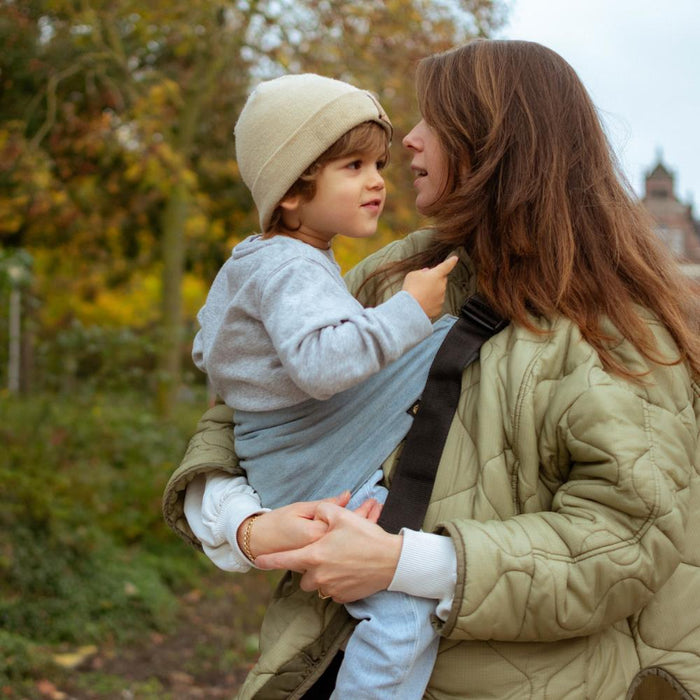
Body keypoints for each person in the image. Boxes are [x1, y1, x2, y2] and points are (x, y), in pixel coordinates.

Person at [164, 40, 700, 700]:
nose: (411, 140)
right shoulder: (396, 272)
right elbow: (250, 407)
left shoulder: (619, 328)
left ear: (497, 142)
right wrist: (246, 528)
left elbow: (625, 543)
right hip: (321, 663)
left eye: (433, 123)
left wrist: (401, 563)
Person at [190, 72, 460, 699]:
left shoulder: (262, 260)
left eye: (379, 164)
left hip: (292, 464)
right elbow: (320, 365)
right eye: (352, 165)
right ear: (291, 191)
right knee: (399, 619)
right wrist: (410, 311)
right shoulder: (291, 265)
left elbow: (215, 344)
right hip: (317, 470)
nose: (376, 181)